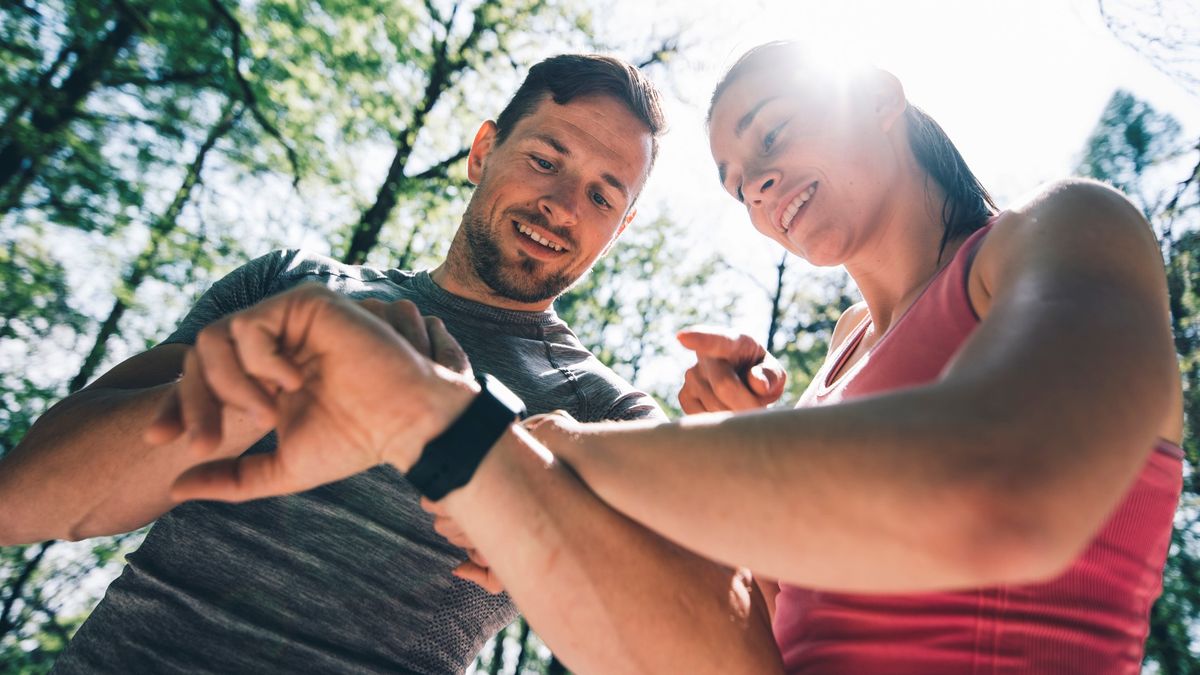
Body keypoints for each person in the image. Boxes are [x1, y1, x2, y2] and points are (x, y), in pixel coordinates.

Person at [139, 41, 1184, 674]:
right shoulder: (826, 379)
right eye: (736, 182)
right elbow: (756, 644)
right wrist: (740, 451)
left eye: (773, 137)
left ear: (879, 96)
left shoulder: (1065, 231)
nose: (758, 185)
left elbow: (1007, 491)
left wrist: (548, 449)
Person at [0, 54, 778, 674]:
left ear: (619, 230)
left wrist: (728, 470)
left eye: (604, 197)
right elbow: (25, 501)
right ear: (482, 151)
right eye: (546, 160)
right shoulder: (291, 283)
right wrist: (281, 379)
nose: (564, 206)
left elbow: (717, 643)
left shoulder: (612, 418)